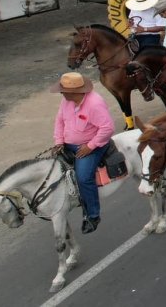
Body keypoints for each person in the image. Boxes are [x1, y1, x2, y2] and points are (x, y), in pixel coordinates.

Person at [52, 72, 114, 233]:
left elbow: (107, 128)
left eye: (63, 90)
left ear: (74, 92)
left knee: (84, 177)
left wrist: (91, 146)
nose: (61, 93)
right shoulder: (66, 101)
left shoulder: (94, 104)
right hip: (68, 144)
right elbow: (59, 121)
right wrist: (58, 141)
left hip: (92, 146)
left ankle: (92, 215)